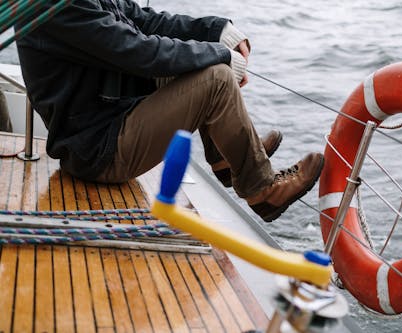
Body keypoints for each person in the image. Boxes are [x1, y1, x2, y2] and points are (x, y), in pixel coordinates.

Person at [15, 0, 324, 222]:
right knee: (215, 77)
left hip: (108, 119)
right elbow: (139, 51)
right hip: (98, 150)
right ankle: (262, 192)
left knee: (201, 65)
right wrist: (221, 56)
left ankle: (226, 161)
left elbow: (143, 21)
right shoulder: (56, 7)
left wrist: (215, 31)